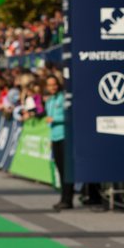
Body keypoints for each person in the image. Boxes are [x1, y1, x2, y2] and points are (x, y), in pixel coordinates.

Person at [44, 75, 75, 211]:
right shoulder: (49, 101)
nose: (53, 87)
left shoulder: (63, 98)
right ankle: (63, 198)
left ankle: (67, 199)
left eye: (54, 84)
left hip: (64, 137)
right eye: (50, 85)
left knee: (66, 170)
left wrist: (55, 119)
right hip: (55, 138)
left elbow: (69, 115)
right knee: (60, 170)